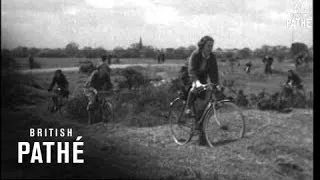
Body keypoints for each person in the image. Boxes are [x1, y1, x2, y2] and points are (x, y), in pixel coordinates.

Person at [184, 35, 221, 145]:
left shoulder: (212, 56)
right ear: (203, 45)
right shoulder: (195, 54)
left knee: (204, 104)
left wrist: (216, 84)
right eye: (208, 45)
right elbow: (191, 70)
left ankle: (200, 129)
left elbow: (214, 73)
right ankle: (188, 108)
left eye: (212, 46)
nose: (210, 48)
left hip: (202, 78)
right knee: (194, 89)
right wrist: (196, 81)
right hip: (189, 76)